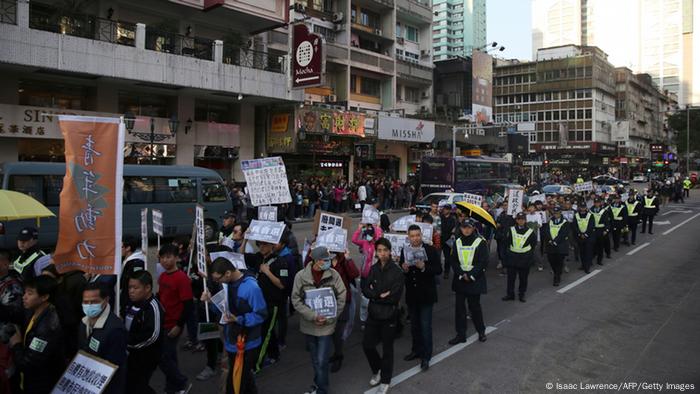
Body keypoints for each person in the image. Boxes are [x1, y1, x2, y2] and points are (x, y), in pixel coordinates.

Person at [207, 257, 267, 394]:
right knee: (244, 380)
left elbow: (261, 314)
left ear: (227, 273)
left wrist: (239, 319)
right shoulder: (226, 285)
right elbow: (222, 309)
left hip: (247, 342)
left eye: (218, 278)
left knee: (236, 384)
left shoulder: (251, 287)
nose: (217, 282)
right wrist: (210, 301)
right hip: (232, 340)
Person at [291, 246, 347, 394]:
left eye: (329, 259)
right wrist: (312, 316)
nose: (329, 262)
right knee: (315, 360)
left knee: (322, 360)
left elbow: (342, 295)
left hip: (327, 326)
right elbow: (295, 299)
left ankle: (322, 389)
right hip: (309, 324)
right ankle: (318, 383)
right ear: (316, 260)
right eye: (325, 259)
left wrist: (332, 315)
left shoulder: (333, 275)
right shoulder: (300, 276)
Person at [8, 275, 65, 394]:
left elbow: (28, 363)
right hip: (29, 381)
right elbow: (14, 314)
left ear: (44, 297)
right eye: (25, 292)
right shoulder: (33, 311)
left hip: (41, 385)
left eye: (30, 293)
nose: (24, 297)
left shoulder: (48, 326)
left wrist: (16, 344)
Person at [362, 238, 404, 394]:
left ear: (390, 251)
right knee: (367, 345)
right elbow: (366, 289)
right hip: (373, 313)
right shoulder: (373, 269)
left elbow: (394, 295)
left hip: (390, 315)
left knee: (388, 349)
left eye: (385, 250)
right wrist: (379, 295)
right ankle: (377, 369)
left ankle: (386, 379)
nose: (382, 253)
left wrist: (376, 295)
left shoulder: (397, 271)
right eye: (379, 250)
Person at [399, 225, 442, 370]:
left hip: (426, 295)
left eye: (418, 235)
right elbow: (402, 267)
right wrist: (404, 268)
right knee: (414, 326)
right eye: (412, 236)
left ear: (421, 235)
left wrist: (424, 267)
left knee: (425, 326)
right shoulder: (404, 250)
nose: (415, 238)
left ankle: (426, 356)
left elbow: (438, 269)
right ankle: (416, 350)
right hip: (412, 295)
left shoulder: (430, 250)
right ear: (408, 236)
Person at [78, 282, 128, 394]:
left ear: (105, 300)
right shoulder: (83, 322)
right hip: (87, 381)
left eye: (94, 302)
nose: (89, 305)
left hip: (108, 386)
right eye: (85, 302)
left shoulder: (115, 329)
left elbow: (113, 365)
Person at [157, 244, 193, 394]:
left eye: (169, 257)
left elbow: (188, 305)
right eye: (162, 257)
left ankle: (181, 383)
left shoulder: (181, 278)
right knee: (169, 357)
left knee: (164, 358)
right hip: (163, 322)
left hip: (173, 324)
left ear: (176, 258)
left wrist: (179, 325)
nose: (165, 261)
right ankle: (173, 388)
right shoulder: (163, 276)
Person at [448, 218, 489, 345]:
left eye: (469, 227)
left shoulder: (480, 242)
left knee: (474, 307)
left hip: (474, 280)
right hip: (460, 280)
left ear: (473, 228)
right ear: (460, 228)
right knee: (459, 309)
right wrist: (461, 274)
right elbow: (453, 260)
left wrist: (470, 275)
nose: (466, 230)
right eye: (464, 227)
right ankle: (461, 334)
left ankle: (481, 331)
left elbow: (483, 262)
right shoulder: (457, 242)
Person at [125, 271, 164, 394]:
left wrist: (130, 345)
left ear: (147, 288)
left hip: (146, 356)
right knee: (133, 384)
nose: (131, 291)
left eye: (135, 288)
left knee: (139, 385)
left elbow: (153, 336)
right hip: (131, 355)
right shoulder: (132, 303)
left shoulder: (153, 307)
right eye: (130, 287)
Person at [352, 223, 383, 327]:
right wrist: (359, 229)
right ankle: (363, 320)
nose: (368, 236)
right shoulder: (364, 243)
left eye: (370, 234)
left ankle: (373, 319)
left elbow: (379, 234)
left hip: (375, 276)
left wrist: (376, 227)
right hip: (365, 275)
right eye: (367, 234)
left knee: (374, 298)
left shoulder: (378, 245)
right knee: (364, 299)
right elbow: (354, 240)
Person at [503, 212, 537, 302]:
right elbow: (507, 242)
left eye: (522, 219)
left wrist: (528, 256)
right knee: (511, 278)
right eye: (519, 219)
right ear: (516, 220)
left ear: (525, 220)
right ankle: (510, 294)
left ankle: (522, 294)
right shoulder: (511, 230)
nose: (521, 221)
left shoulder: (530, 231)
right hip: (512, 257)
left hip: (524, 258)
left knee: (523, 278)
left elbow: (533, 244)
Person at [541, 207, 570, 286]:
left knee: (559, 262)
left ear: (560, 213)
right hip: (550, 245)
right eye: (555, 213)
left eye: (557, 213)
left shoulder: (565, 222)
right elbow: (546, 231)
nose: (556, 215)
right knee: (551, 261)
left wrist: (556, 241)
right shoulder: (550, 221)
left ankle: (557, 277)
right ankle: (556, 272)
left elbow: (563, 233)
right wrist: (550, 240)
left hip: (560, 245)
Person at [120, 234, 146, 314]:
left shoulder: (136, 263)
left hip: (130, 303)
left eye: (120, 247)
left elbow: (135, 285)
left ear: (128, 248)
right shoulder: (124, 260)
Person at [574, 204, 596, 274]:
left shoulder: (590, 215)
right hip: (580, 237)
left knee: (588, 252)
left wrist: (585, 234)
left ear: (586, 208)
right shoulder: (576, 215)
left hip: (588, 237)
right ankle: (583, 265)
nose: (582, 209)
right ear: (579, 208)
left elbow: (591, 226)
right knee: (582, 252)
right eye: (581, 207)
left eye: (584, 207)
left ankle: (587, 267)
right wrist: (580, 234)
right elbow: (575, 226)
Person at [590, 197, 611, 266]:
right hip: (593, 230)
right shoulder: (590, 210)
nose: (596, 204)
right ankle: (592, 257)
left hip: (601, 230)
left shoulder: (604, 211)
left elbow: (607, 222)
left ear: (600, 203)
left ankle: (599, 260)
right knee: (592, 245)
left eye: (598, 203)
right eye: (595, 203)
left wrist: (606, 230)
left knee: (600, 246)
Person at [439, 203, 457, 279]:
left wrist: (453, 232)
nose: (444, 210)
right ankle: (438, 270)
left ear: (449, 210)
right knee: (437, 256)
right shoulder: (440, 217)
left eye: (446, 209)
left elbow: (454, 228)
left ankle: (446, 272)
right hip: (439, 239)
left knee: (447, 258)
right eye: (444, 209)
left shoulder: (453, 219)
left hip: (448, 240)